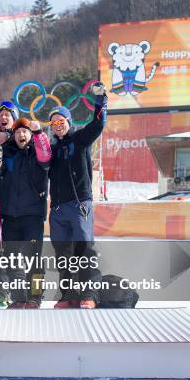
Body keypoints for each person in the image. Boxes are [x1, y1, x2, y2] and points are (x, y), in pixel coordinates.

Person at [48, 81, 108, 309]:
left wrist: (101, 100)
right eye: (54, 123)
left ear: (68, 123)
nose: (57, 125)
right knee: (63, 253)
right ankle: (68, 295)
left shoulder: (80, 140)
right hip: (58, 209)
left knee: (84, 249)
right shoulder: (52, 150)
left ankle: (90, 295)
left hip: (80, 203)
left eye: (61, 121)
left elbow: (98, 123)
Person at [0, 117, 52, 309]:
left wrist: (38, 133)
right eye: (18, 132)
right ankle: (19, 297)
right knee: (12, 259)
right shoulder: (7, 153)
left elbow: (46, 156)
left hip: (32, 216)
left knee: (34, 259)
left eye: (25, 132)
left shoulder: (38, 152)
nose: (22, 135)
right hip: (10, 216)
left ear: (30, 135)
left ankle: (35, 296)